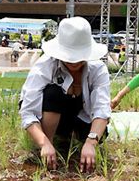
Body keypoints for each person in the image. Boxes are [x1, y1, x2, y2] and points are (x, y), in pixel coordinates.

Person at [19, 16, 110, 172]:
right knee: (53, 93)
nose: (74, 62)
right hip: (50, 116)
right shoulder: (45, 66)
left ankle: (74, 140)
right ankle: (50, 144)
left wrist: (91, 141)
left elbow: (102, 108)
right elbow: (28, 112)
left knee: (100, 136)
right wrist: (44, 143)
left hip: (80, 116)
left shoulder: (98, 69)